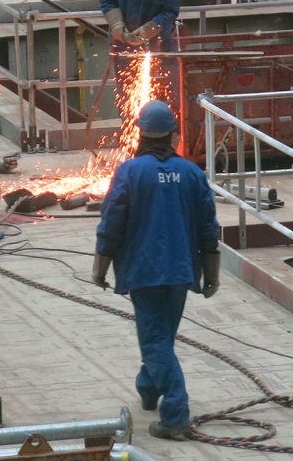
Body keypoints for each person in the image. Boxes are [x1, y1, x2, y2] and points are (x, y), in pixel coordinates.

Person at [92, 99, 220, 441]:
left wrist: (99, 266)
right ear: (173, 135)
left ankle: (176, 413)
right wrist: (213, 273)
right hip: (180, 271)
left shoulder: (131, 172)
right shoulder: (193, 173)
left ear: (141, 134)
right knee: (162, 336)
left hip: (144, 271)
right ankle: (148, 387)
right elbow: (209, 228)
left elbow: (112, 224)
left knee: (155, 342)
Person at [97, 0, 181, 108]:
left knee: (168, 95)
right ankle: (132, 131)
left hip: (160, 45)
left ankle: (169, 132)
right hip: (123, 45)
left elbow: (170, 12)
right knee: (128, 97)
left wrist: (147, 30)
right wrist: (118, 26)